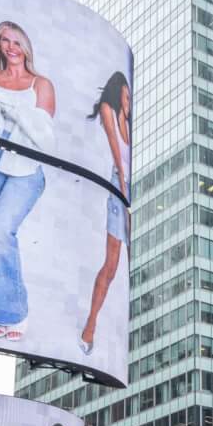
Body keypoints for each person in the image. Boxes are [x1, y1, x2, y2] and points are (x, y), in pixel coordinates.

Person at [0, 21, 54, 342]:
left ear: (26, 46)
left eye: (17, 41)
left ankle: (14, 313)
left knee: (0, 230)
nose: (11, 46)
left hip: (26, 168)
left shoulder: (40, 85)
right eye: (4, 40)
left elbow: (44, 138)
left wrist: (5, 105)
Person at [79, 71, 130, 357]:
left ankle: (95, 327)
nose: (128, 101)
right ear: (117, 91)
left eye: (130, 97)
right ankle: (90, 325)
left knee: (117, 268)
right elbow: (115, 151)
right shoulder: (109, 110)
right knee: (110, 266)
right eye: (126, 95)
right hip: (118, 187)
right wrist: (123, 194)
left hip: (129, 190)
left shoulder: (127, 118)